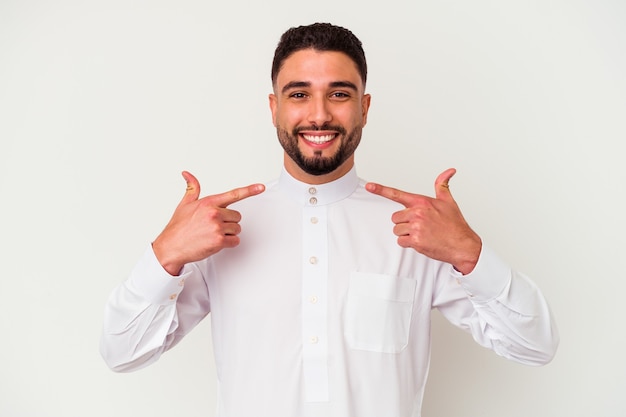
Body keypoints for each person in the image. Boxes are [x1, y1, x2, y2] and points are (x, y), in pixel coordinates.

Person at [100, 22, 558, 417]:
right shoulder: (219, 231)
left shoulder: (419, 232)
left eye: (339, 94)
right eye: (299, 94)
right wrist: (165, 258)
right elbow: (121, 354)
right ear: (274, 107)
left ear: (364, 107)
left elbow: (535, 345)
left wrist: (470, 254)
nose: (319, 114)